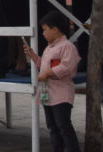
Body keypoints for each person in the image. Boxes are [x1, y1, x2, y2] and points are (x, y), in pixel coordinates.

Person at [24, 11, 81, 152]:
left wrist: (48, 73)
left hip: (61, 95)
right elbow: (43, 64)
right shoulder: (49, 48)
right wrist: (34, 57)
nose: (43, 33)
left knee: (63, 126)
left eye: (45, 30)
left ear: (55, 29)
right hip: (48, 93)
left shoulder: (67, 46)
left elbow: (67, 66)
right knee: (52, 127)